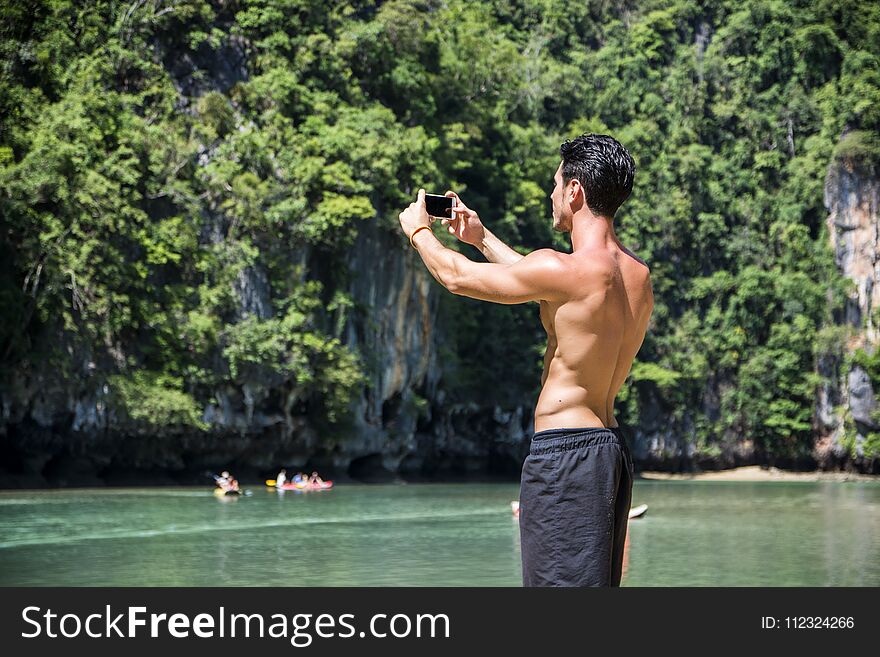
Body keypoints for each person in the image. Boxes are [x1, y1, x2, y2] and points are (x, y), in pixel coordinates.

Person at [398, 133, 653, 586]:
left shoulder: (566, 269)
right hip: (610, 452)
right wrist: (481, 238)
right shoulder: (636, 276)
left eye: (556, 184)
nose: (551, 194)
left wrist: (417, 230)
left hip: (566, 456)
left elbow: (456, 278)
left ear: (575, 191)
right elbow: (549, 287)